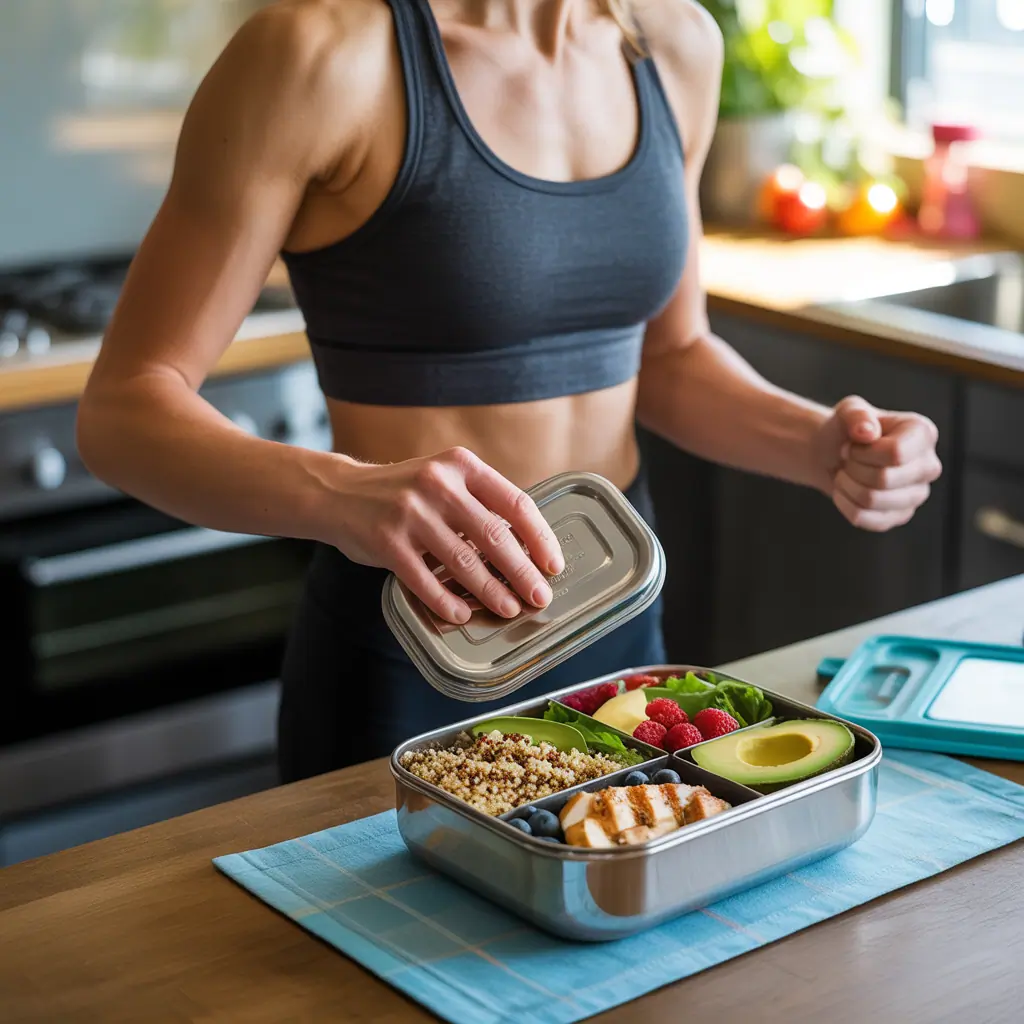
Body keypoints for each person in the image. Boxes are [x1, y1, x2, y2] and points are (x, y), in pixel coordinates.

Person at [77, 0, 942, 783]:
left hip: (622, 639)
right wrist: (341, 491)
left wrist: (822, 442)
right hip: (413, 655)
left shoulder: (673, 43)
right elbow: (124, 410)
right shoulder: (319, 54)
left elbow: (668, 356)